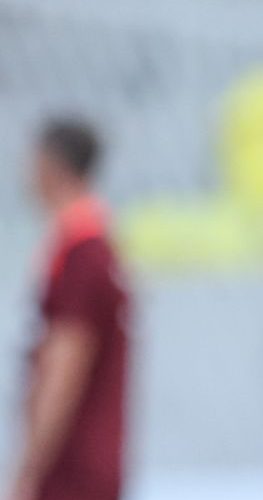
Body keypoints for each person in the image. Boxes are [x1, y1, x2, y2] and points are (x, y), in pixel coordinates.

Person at [7, 117, 131, 500]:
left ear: (50, 165)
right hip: (90, 465)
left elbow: (64, 368)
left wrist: (28, 468)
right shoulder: (94, 246)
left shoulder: (82, 256)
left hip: (72, 471)